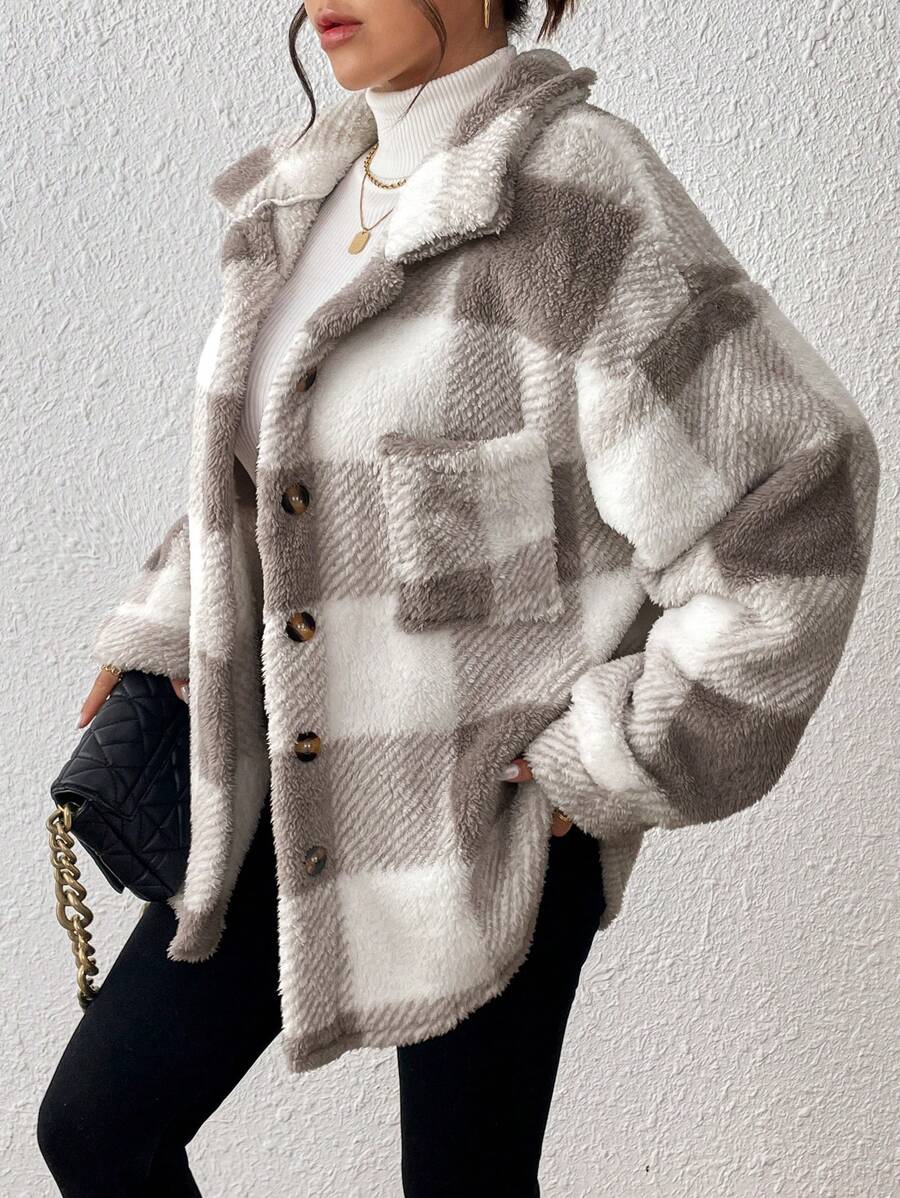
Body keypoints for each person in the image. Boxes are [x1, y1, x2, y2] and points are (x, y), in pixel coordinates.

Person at [37, 1, 880, 1194]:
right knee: (96, 1126)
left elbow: (800, 484)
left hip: (493, 815)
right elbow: (276, 476)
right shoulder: (304, 194)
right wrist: (172, 625)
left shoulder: (575, 191)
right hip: (289, 769)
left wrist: (615, 756)